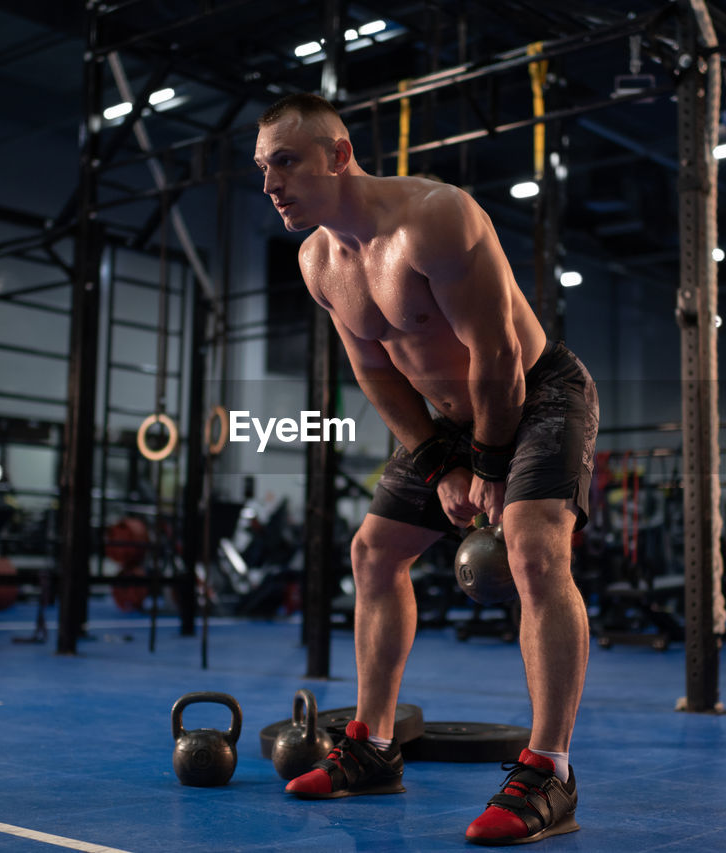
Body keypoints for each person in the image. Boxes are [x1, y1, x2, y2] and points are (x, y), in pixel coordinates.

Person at [254, 92, 598, 846]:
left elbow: (500, 356)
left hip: (535, 393)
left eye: (286, 161)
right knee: (373, 551)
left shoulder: (436, 218)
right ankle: (374, 747)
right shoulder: (319, 259)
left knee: (534, 547)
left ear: (339, 155)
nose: (271, 182)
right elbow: (374, 371)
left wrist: (491, 464)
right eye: (262, 167)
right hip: (445, 418)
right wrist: (443, 460)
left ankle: (550, 770)